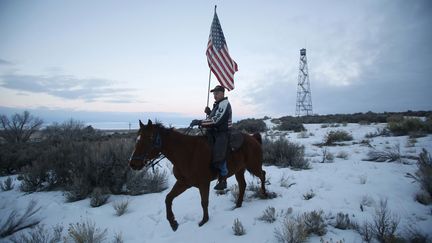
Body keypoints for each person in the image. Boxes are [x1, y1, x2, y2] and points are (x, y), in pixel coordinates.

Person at [190, 85, 232, 190]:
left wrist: (199, 122)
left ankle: (223, 178)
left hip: (223, 132)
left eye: (217, 93)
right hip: (214, 132)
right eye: (214, 94)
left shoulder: (224, 103)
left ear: (222, 93)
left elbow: (216, 120)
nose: (215, 96)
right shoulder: (217, 104)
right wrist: (209, 112)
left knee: (219, 151)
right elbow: (213, 117)